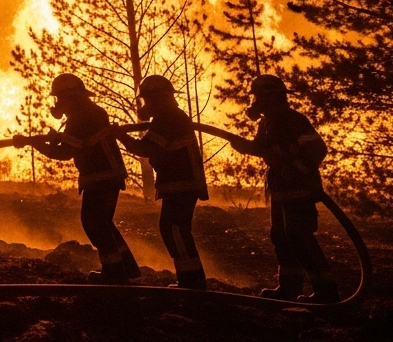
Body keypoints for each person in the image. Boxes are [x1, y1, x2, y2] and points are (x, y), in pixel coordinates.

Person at [15, 73, 139, 284]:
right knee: (102, 222)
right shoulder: (89, 113)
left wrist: (31, 142)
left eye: (59, 98)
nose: (57, 103)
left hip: (100, 175)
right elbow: (76, 143)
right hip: (107, 174)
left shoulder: (80, 118)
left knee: (94, 223)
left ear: (69, 97)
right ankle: (126, 266)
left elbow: (65, 153)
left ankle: (115, 272)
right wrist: (56, 139)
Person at [229, 74, 338, 302]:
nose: (256, 101)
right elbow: (263, 149)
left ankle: (326, 291)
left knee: (300, 238)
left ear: (270, 97)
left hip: (300, 188)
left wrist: (296, 168)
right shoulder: (267, 122)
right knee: (281, 236)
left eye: (259, 96)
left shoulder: (293, 120)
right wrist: (242, 146)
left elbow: (317, 149)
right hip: (280, 189)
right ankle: (289, 287)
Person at [117, 75, 209, 290]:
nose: (145, 105)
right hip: (178, 183)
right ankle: (190, 278)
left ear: (158, 99)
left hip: (182, 183)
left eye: (147, 100)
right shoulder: (170, 117)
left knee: (174, 229)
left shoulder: (168, 118)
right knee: (173, 228)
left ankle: (192, 280)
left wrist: (121, 136)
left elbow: (146, 148)